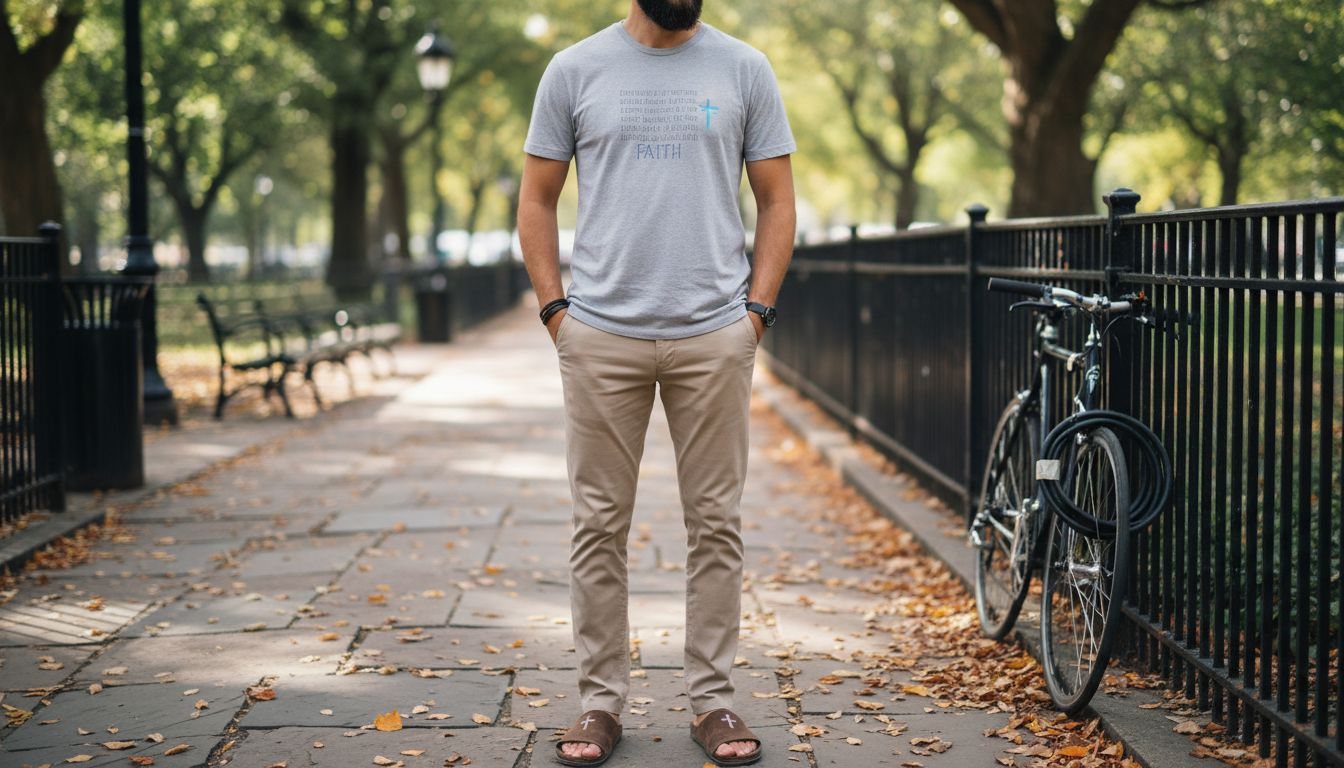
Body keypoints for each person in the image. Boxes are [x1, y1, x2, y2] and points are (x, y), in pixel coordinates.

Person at [517, 0, 795, 763]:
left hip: (715, 334)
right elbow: (536, 199)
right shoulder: (574, 70)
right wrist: (557, 315)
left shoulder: (745, 69)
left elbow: (777, 200)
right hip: (601, 335)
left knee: (716, 523)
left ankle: (713, 702)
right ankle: (599, 705)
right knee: (598, 525)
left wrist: (755, 315)